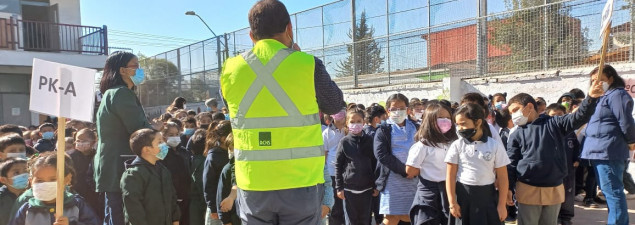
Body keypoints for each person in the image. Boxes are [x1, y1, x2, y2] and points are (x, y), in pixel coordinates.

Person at [221, 1, 345, 224]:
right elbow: (335, 105)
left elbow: (230, 104)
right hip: (301, 181)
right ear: (289, 28)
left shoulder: (230, 68)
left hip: (252, 182)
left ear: (251, 35)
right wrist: (297, 57)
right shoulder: (308, 64)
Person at [506, 80, 602, 225]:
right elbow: (511, 164)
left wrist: (591, 98)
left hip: (554, 188)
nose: (513, 115)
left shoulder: (555, 124)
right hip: (527, 189)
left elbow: (579, 117)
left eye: (515, 110)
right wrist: (508, 188)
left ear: (529, 106)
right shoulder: (516, 135)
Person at [95, 51, 152, 225]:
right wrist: (155, 132)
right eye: (135, 66)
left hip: (112, 165)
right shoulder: (121, 93)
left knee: (112, 215)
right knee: (120, 216)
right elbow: (139, 131)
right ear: (122, 70)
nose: (140, 70)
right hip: (121, 165)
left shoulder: (111, 93)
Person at [581, 65, 635, 225]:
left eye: (600, 80)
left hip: (608, 150)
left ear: (611, 78)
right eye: (592, 81)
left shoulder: (617, 94)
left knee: (613, 192)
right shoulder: (601, 97)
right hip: (598, 151)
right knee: (609, 191)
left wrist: (632, 141)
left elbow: (625, 121)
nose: (596, 84)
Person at [445, 103, 509, 225]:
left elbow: (503, 177)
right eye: (457, 125)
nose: (460, 128)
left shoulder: (494, 145)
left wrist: (501, 205)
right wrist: (452, 203)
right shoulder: (457, 145)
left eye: (463, 124)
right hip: (463, 198)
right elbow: (450, 176)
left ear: (478, 122)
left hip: (488, 198)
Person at [9, 151, 99, 225]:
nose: (46, 184)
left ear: (66, 179)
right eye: (39, 180)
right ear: (31, 182)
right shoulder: (27, 209)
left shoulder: (77, 204)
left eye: (53, 179)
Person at [405, 102, 458, 225]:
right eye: (440, 118)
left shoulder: (454, 143)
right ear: (430, 120)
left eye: (447, 118)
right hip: (429, 192)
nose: (444, 121)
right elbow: (410, 171)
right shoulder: (422, 145)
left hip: (451, 191)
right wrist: (427, 170)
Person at [374, 94, 419, 225]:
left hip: (414, 180)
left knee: (410, 215)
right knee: (391, 218)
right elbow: (381, 154)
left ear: (408, 109)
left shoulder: (416, 127)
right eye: (394, 108)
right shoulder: (383, 129)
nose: (398, 111)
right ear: (388, 111)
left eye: (401, 107)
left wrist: (416, 170)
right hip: (392, 180)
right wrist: (405, 171)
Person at [120, 128, 180, 225]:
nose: (164, 144)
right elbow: (133, 209)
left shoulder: (163, 170)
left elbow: (172, 197)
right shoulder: (134, 174)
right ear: (147, 149)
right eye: (159, 142)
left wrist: (175, 218)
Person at [335, 109, 377, 225]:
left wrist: (375, 185)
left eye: (359, 121)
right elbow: (338, 165)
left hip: (367, 190)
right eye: (352, 121)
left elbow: (375, 164)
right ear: (347, 123)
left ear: (364, 122)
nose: (356, 124)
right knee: (351, 222)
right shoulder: (344, 142)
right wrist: (339, 188)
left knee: (365, 220)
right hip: (349, 190)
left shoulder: (370, 140)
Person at [545, 104, 580, 225]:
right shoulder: (546, 133)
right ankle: (555, 216)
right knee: (554, 194)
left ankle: (566, 217)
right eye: (553, 115)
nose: (557, 118)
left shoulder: (570, 133)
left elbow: (576, 147)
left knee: (568, 194)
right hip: (553, 170)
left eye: (560, 115)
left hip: (568, 169)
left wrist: (577, 159)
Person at [68, 129, 103, 220]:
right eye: (78, 140)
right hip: (75, 194)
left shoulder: (98, 156)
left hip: (93, 196)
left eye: (84, 140)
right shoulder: (70, 157)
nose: (80, 143)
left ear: (93, 142)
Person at [161, 122, 191, 225]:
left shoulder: (184, 151)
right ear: (163, 136)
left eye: (177, 134)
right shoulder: (162, 152)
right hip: (171, 197)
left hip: (186, 195)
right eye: (170, 135)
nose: (175, 137)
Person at [203, 121, 232, 225]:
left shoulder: (233, 153)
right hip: (217, 205)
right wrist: (213, 208)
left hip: (231, 203)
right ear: (224, 139)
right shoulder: (214, 157)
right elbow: (208, 184)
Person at [323, 110, 347, 225]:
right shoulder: (326, 133)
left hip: (347, 172)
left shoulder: (348, 130)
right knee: (335, 206)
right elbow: (325, 153)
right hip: (332, 173)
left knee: (346, 204)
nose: (341, 114)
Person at [216, 133, 240, 225]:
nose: (230, 151)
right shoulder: (228, 169)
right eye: (229, 148)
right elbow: (222, 196)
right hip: (234, 218)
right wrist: (226, 221)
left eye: (232, 148)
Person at [189, 129, 208, 225]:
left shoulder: (191, 159)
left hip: (194, 203)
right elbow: (201, 185)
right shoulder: (205, 162)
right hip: (201, 203)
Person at [0, 158, 27, 225]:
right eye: (16, 173)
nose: (24, 175)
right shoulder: (2, 197)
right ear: (3, 180)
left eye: (26, 171)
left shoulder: (33, 195)